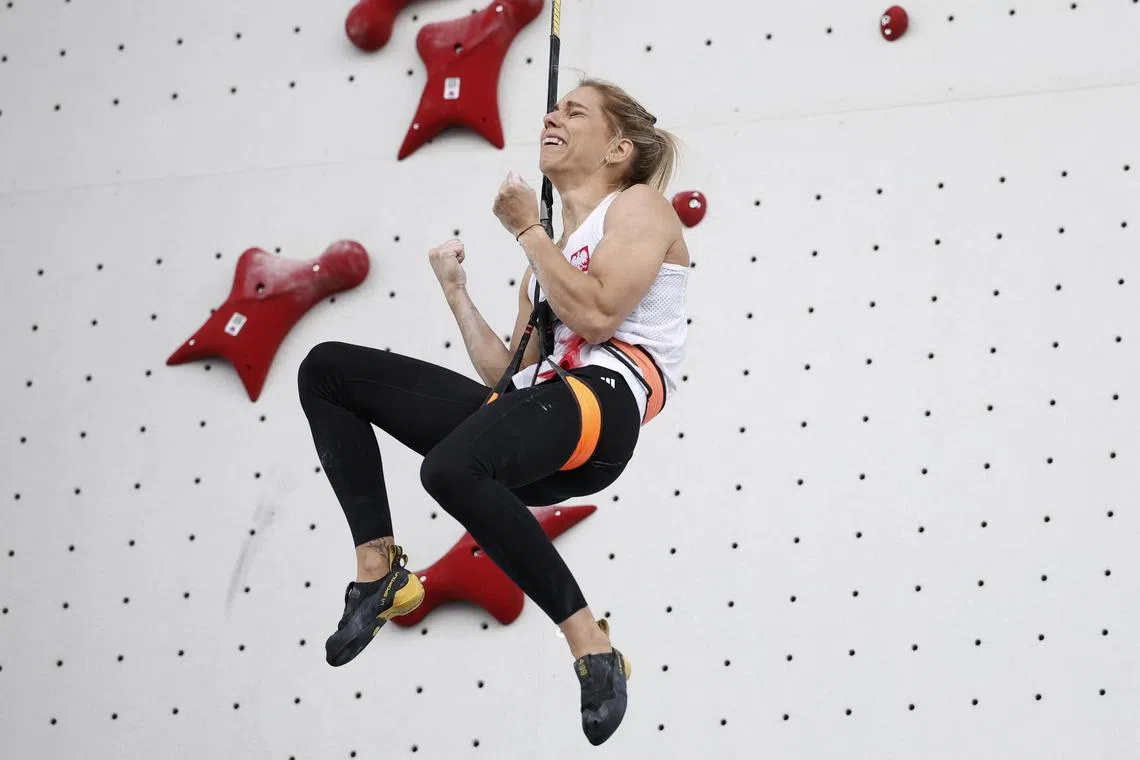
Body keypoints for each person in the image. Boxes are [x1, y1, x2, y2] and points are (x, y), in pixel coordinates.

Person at [296, 77, 690, 745]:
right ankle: (378, 569)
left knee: (448, 468)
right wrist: (457, 294)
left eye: (574, 112)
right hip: (545, 409)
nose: (551, 116)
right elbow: (502, 373)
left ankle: (589, 642)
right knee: (328, 370)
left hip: (605, 403)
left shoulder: (640, 208)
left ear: (619, 147)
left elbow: (597, 315)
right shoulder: (545, 261)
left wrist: (530, 231)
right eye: (554, 107)